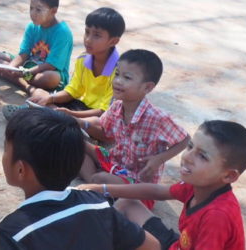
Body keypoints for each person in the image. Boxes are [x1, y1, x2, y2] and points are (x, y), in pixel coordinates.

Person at [0, 108, 159, 249]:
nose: (4, 155)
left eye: (5, 149)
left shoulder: (11, 231)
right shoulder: (97, 203)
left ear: (21, 170)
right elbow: (152, 245)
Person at [79, 120, 246, 250]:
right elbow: (157, 191)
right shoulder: (199, 184)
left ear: (229, 175)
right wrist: (102, 189)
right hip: (178, 245)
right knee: (127, 202)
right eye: (190, 147)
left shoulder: (217, 216)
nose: (187, 157)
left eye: (202, 156)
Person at [78, 49, 189, 209]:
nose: (117, 81)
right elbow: (103, 131)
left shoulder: (157, 117)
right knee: (75, 144)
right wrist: (78, 122)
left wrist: (159, 159)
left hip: (138, 183)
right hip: (115, 163)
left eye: (127, 78)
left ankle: (95, 187)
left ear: (147, 87)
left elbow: (185, 140)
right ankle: (98, 188)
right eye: (117, 74)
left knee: (101, 179)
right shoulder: (116, 107)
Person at [2, 7, 125, 120]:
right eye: (87, 32)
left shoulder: (119, 72)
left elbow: (104, 111)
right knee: (43, 97)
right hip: (78, 106)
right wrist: (50, 98)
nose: (88, 39)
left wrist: (72, 115)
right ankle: (36, 114)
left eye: (97, 35)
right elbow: (72, 91)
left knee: (89, 122)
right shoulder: (83, 59)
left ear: (113, 41)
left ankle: (52, 120)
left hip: (98, 116)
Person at [0, 0, 72, 96]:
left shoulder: (62, 33)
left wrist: (25, 73)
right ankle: (26, 85)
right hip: (28, 67)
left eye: (38, 10)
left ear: (53, 11)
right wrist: (10, 68)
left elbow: (50, 65)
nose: (33, 13)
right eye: (31, 8)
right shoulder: (32, 27)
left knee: (50, 78)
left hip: (47, 71)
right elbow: (24, 54)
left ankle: (20, 81)